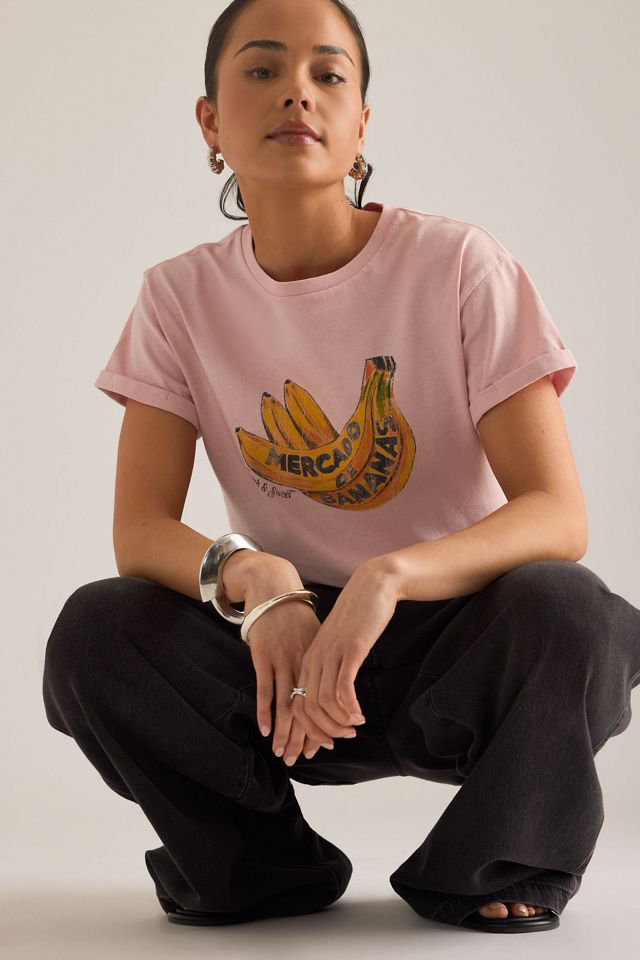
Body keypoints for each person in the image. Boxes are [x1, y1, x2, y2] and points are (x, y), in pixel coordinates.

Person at [41, 0, 640, 935]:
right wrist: (260, 583)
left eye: (328, 75)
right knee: (97, 630)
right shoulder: (176, 298)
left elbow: (557, 514)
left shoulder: (459, 265)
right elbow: (141, 533)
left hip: (454, 638)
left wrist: (387, 577)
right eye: (262, 70)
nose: (298, 93)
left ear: (362, 122)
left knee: (570, 611)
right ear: (210, 121)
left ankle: (498, 859)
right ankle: (255, 869)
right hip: (282, 664)